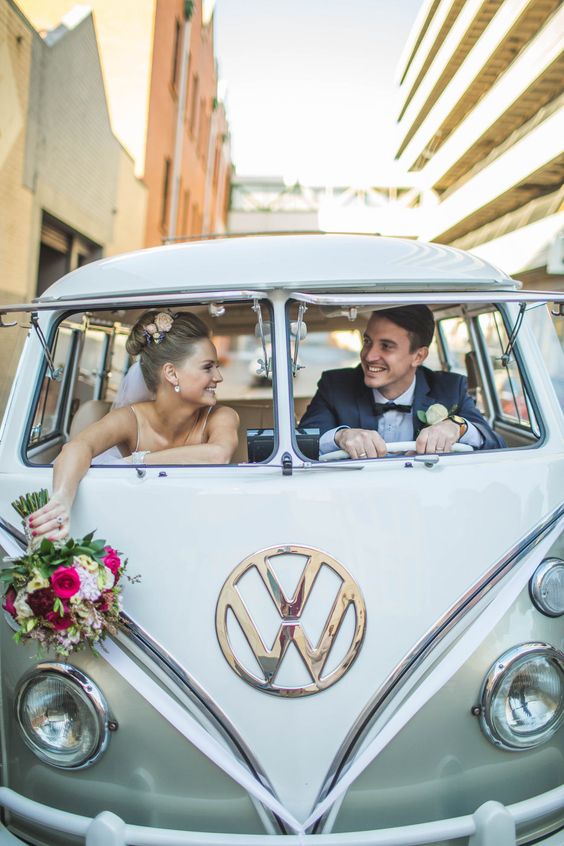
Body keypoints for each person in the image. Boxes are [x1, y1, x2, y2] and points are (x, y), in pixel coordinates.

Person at [29, 310, 239, 540]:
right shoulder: (130, 419)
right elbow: (78, 447)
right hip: (133, 528)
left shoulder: (221, 416)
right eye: (208, 367)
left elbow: (218, 454)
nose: (218, 377)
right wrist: (61, 498)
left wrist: (133, 462)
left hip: (201, 526)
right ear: (171, 373)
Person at [300, 305, 505, 459]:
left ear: (418, 356)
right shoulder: (335, 385)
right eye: (367, 342)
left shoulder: (451, 388)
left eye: (386, 346)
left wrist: (457, 427)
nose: (369, 356)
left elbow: (496, 445)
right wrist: (340, 436)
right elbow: (300, 442)